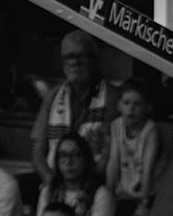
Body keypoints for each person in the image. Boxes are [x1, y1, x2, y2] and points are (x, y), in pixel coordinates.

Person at [31, 31, 119, 186]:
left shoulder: (112, 97)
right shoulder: (53, 96)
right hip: (55, 183)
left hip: (96, 185)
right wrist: (50, 181)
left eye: (81, 56)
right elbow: (38, 150)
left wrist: (86, 185)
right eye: (68, 57)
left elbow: (111, 151)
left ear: (94, 60)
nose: (74, 62)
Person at [105, 78, 162, 216]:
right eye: (126, 103)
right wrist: (107, 196)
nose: (131, 109)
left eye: (137, 104)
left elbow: (148, 169)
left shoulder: (150, 130)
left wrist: (143, 205)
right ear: (119, 105)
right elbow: (113, 161)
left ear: (147, 107)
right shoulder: (116, 126)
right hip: (122, 195)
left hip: (143, 195)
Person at [35, 130, 115, 216]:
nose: (68, 161)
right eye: (63, 155)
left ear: (86, 159)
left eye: (75, 155)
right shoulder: (48, 191)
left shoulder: (101, 194)